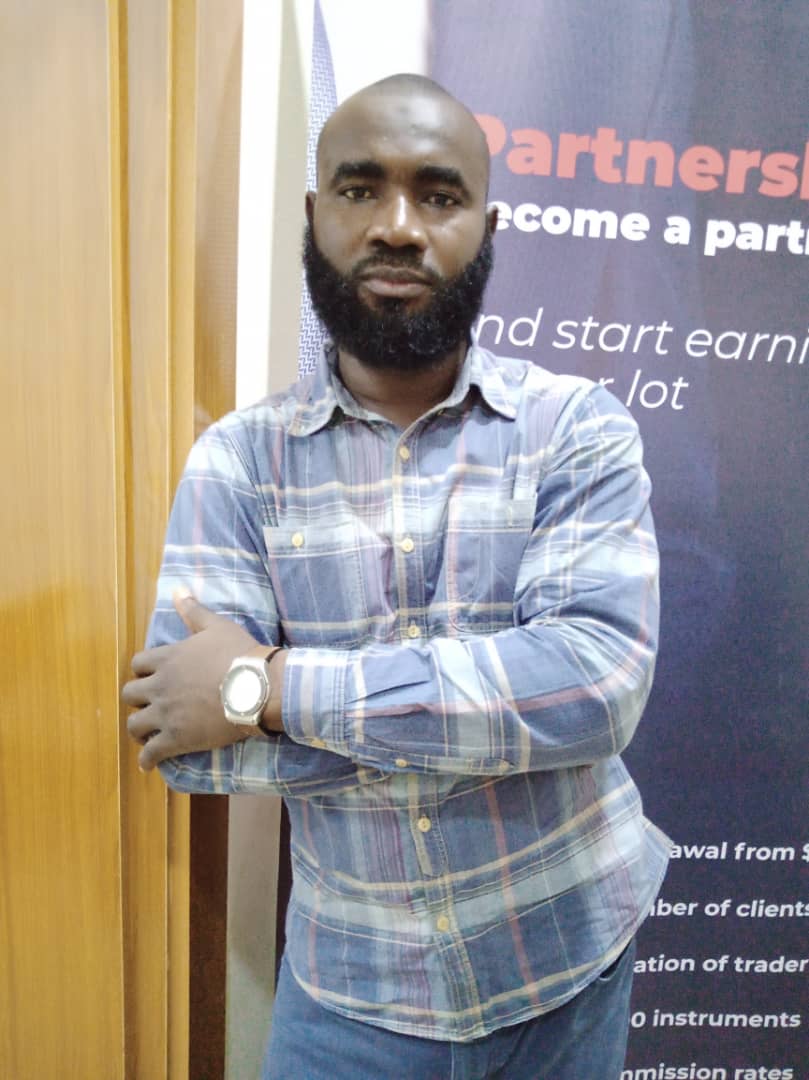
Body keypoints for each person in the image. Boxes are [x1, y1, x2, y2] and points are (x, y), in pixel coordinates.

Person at [123, 73, 669, 1080]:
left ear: (486, 229)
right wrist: (501, 719)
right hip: (351, 999)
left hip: (564, 964)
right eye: (360, 188)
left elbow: (595, 690)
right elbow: (186, 744)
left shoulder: (575, 429)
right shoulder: (238, 462)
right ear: (313, 214)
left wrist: (263, 689)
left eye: (438, 194)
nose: (398, 226)